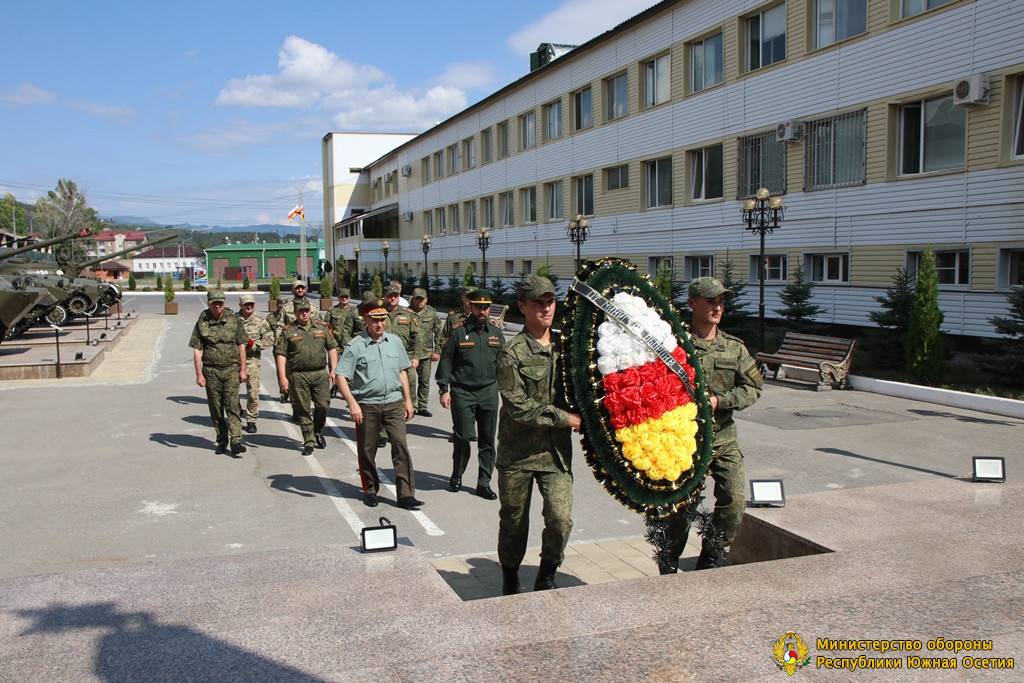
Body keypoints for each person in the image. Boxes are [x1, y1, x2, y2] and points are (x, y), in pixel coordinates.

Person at [658, 276, 763, 574]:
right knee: (682, 510)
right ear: (692, 303)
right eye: (711, 300)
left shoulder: (734, 348)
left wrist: (720, 401)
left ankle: (711, 556)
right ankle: (669, 561)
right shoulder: (673, 346)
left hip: (724, 438)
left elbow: (753, 388)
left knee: (734, 500)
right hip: (685, 443)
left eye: (721, 301)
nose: (718, 307)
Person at [496, 276, 581, 595]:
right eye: (538, 303)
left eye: (550, 301)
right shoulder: (512, 352)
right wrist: (566, 418)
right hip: (517, 455)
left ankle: (547, 572)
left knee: (560, 519)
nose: (546, 308)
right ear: (523, 306)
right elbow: (518, 406)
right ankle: (510, 573)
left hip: (555, 456)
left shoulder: (566, 348)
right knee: (514, 522)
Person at [335, 292, 424, 511]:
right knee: (367, 450)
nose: (380, 324)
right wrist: (352, 403)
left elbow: (403, 372)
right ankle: (370, 490)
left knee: (401, 446)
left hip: (394, 403)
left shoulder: (394, 342)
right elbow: (340, 376)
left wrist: (409, 401)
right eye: (375, 320)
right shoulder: (356, 345)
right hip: (367, 405)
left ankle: (405, 495)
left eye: (383, 319)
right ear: (365, 320)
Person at [436, 288, 504, 499]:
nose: (482, 311)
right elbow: (446, 361)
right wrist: (443, 389)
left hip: (489, 392)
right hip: (463, 392)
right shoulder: (458, 332)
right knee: (463, 436)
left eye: (486, 307)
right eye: (478, 307)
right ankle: (457, 473)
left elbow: (504, 364)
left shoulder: (496, 333)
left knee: (487, 439)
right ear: (471, 306)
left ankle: (484, 482)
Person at [274, 298, 338, 455]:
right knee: (303, 409)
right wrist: (282, 377)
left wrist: (333, 370)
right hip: (298, 375)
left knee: (323, 405)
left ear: (310, 311)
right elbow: (281, 354)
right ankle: (309, 439)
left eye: (306, 311)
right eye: (301, 311)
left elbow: (332, 348)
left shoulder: (321, 328)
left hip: (320, 374)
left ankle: (317, 431)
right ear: (295, 313)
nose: (304, 314)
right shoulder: (288, 331)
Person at [189, 290, 248, 455]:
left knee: (232, 405)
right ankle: (222, 440)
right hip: (211, 371)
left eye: (220, 303)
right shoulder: (202, 321)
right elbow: (197, 349)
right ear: (209, 304)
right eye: (214, 303)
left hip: (231, 369)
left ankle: (236, 440)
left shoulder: (234, 320)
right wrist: (199, 374)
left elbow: (241, 345)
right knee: (216, 408)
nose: (218, 306)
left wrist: (243, 369)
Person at [237, 293, 274, 433]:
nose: (249, 307)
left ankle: (251, 419)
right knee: (232, 391)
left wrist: (257, 345)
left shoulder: (260, 321)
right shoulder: (233, 320)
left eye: (251, 304)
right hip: (234, 361)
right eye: (246, 304)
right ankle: (237, 409)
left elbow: (270, 337)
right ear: (240, 305)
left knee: (253, 392)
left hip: (252, 360)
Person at [383, 284, 421, 415]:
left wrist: (416, 357)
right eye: (390, 296)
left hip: (404, 357)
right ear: (385, 297)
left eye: (396, 295)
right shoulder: (379, 313)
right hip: (383, 357)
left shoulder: (408, 314)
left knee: (409, 384)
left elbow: (416, 337)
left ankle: (409, 408)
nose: (393, 298)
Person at [407, 287, 443, 417]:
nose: (419, 302)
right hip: (410, 354)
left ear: (426, 299)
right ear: (413, 299)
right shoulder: (406, 312)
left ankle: (422, 406)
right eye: (417, 299)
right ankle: (412, 405)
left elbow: (439, 333)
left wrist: (437, 351)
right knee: (410, 381)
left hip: (426, 353)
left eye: (422, 299)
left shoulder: (432, 313)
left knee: (425, 381)